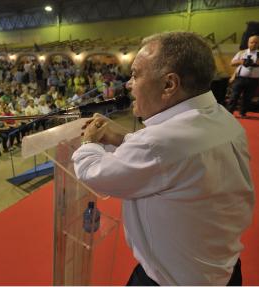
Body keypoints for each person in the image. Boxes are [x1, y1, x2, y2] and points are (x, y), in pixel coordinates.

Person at [72, 32, 254, 285]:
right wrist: (121, 139)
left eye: (136, 74)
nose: (128, 84)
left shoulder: (161, 142)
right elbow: (167, 161)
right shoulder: (220, 116)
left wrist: (88, 141)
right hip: (221, 270)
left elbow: (95, 174)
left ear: (169, 85)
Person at [227, 35, 259, 118]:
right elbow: (232, 63)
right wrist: (242, 62)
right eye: (252, 42)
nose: (254, 44)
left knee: (247, 98)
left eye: (256, 42)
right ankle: (229, 113)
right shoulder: (242, 53)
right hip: (240, 78)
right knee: (234, 96)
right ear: (248, 43)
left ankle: (242, 113)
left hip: (253, 80)